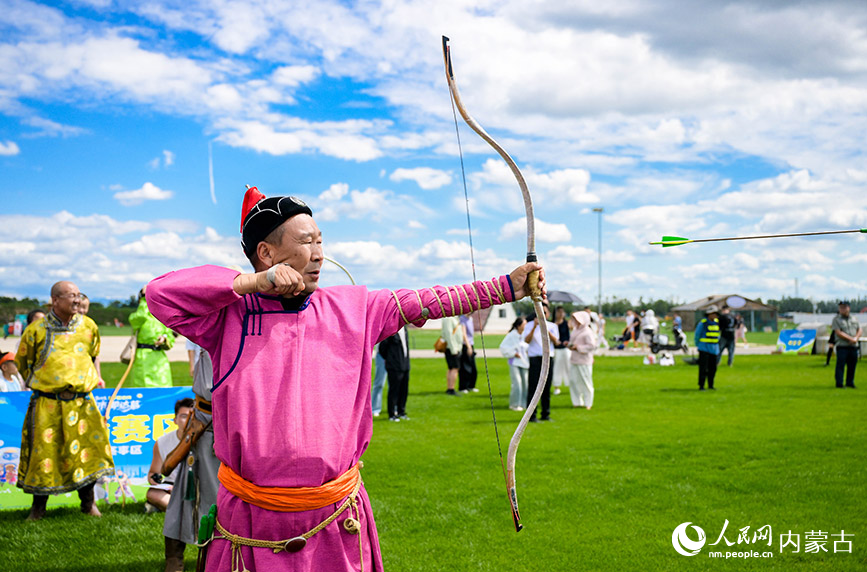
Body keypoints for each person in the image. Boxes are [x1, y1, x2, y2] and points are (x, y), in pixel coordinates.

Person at [145, 186, 544, 571]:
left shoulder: (357, 307)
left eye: (321, 241)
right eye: (306, 242)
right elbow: (160, 294)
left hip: (334, 519)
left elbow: (430, 301)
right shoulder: (226, 317)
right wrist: (250, 284)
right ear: (265, 253)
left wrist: (506, 286)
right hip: (252, 519)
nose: (319, 254)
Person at [14, 281, 114, 520]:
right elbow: (22, 363)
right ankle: (38, 508)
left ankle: (88, 504)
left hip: (82, 402)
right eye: (71, 296)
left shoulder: (89, 326)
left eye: (78, 295)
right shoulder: (36, 330)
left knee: (87, 453)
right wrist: (46, 384)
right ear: (55, 300)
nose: (77, 300)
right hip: (47, 403)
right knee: (43, 454)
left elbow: (92, 354)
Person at [163, 346, 220, 572]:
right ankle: (175, 557)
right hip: (205, 427)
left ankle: (215, 558)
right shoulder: (211, 334)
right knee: (189, 493)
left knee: (221, 498)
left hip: (235, 424)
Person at [146, 398, 195, 513]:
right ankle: (184, 509)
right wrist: (154, 480)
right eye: (183, 416)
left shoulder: (206, 440)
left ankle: (171, 508)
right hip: (171, 487)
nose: (188, 419)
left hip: (196, 485)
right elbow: (153, 472)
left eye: (192, 416)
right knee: (153, 493)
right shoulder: (162, 442)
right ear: (175, 420)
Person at [128, 286, 176, 388]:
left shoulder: (161, 317)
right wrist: (145, 299)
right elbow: (140, 316)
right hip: (143, 358)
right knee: (143, 390)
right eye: (147, 296)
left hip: (159, 361)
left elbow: (170, 338)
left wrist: (164, 339)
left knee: (163, 390)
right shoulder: (136, 317)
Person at [524, 302, 559, 422]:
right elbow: (527, 341)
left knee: (546, 387)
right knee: (533, 387)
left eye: (544, 312)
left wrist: (545, 329)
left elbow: (556, 341)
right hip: (535, 359)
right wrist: (535, 327)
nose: (542, 314)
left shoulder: (552, 326)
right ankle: (531, 415)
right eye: (540, 312)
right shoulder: (529, 325)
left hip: (548, 359)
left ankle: (546, 414)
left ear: (548, 314)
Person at [380, 327, 410, 421]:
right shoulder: (391, 330)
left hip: (405, 364)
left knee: (404, 389)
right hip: (394, 365)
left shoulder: (404, 329)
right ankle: (392, 413)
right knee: (394, 390)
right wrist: (390, 359)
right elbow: (382, 348)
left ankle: (401, 411)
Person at [499, 317, 529, 411]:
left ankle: (524, 404)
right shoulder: (511, 335)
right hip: (515, 362)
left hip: (524, 362)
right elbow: (503, 347)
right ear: (519, 325)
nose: (525, 326)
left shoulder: (524, 335)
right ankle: (514, 404)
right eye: (524, 324)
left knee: (525, 383)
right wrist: (513, 353)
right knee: (517, 383)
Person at [567, 311, 595, 409]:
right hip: (574, 359)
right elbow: (572, 341)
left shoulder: (587, 332)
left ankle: (588, 403)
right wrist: (570, 345)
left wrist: (578, 348)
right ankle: (577, 401)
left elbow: (592, 346)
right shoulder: (575, 330)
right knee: (573, 381)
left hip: (584, 360)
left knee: (586, 382)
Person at [831, 300, 861, 389]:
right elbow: (838, 332)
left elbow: (859, 329)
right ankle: (839, 383)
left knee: (852, 365)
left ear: (849, 308)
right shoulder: (836, 319)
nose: (842, 309)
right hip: (842, 346)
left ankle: (850, 382)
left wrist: (856, 338)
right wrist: (851, 339)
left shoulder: (854, 318)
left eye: (844, 307)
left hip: (853, 346)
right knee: (840, 365)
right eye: (840, 308)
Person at [695, 305, 721, 390]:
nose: (716, 316)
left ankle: (711, 385)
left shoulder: (717, 322)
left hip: (714, 349)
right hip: (704, 349)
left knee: (713, 369)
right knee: (703, 369)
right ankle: (701, 385)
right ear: (709, 314)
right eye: (714, 314)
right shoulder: (703, 323)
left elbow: (718, 335)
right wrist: (698, 345)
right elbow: (697, 335)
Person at [441, 315, 462, 395]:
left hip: (454, 347)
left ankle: (450, 387)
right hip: (452, 348)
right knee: (455, 368)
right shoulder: (449, 318)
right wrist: (454, 349)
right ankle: (451, 388)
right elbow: (449, 334)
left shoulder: (454, 317)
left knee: (451, 368)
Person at [551, 307, 570, 396]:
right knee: (556, 368)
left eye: (562, 312)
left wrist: (565, 342)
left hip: (564, 348)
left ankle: (570, 384)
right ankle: (556, 386)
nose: (561, 314)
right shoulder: (552, 324)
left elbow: (567, 336)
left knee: (568, 367)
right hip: (556, 349)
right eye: (559, 312)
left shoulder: (566, 323)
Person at [458, 313, 478, 393]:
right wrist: (468, 347)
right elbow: (464, 334)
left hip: (471, 344)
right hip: (466, 345)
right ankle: (463, 387)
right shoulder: (462, 319)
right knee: (465, 367)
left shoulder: (470, 318)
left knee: (473, 368)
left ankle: (471, 386)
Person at [370, 344, 386, 416]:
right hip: (381, 354)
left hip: (395, 354)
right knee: (379, 383)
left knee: (395, 383)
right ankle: (375, 408)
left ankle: (395, 407)